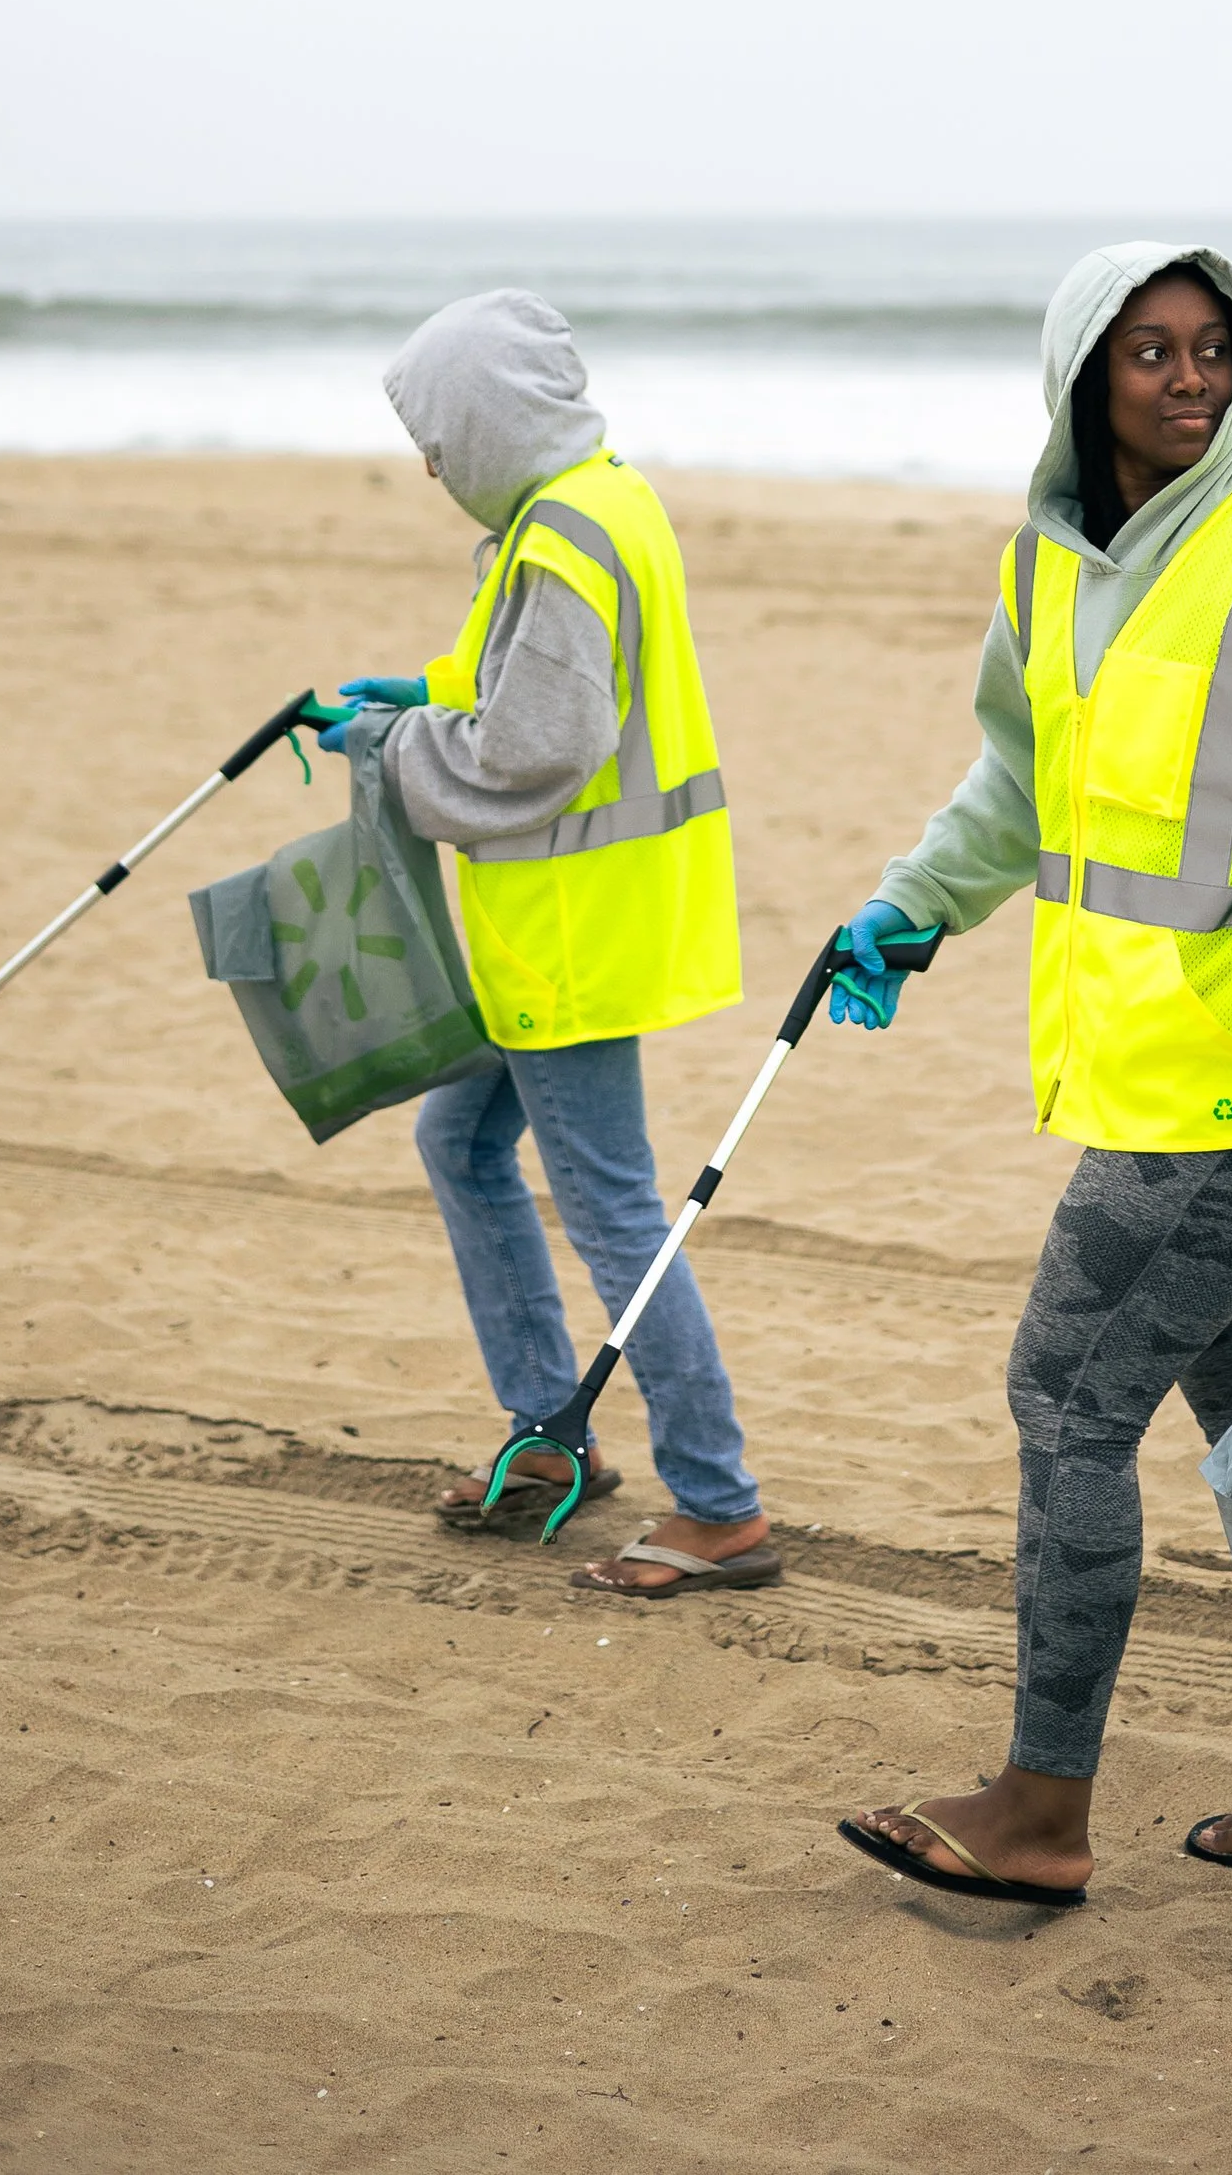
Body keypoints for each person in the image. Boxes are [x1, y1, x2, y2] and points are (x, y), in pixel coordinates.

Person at [830, 241, 1232, 1897]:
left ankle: (1040, 1810)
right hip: (1141, 1073)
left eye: (1213, 345)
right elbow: (1019, 781)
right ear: (1083, 373)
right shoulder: (1052, 561)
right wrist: (911, 904)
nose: (1188, 376)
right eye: (1148, 348)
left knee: (1065, 1404)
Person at [325, 286, 780, 1600]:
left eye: (437, 439)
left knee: (615, 1211)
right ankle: (546, 1433)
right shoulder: (594, 498)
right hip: (563, 927)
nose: (430, 468)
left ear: (489, 420)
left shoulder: (563, 539)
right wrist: (424, 694)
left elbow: (537, 746)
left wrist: (392, 747)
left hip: (570, 936)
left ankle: (720, 1505)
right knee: (462, 1144)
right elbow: (539, 685)